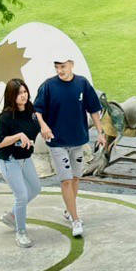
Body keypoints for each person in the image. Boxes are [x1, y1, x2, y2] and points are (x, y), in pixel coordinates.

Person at [34, 54, 113, 238]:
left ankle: (69, 210)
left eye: (63, 66)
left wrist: (100, 133)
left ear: (71, 65)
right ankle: (75, 219)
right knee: (66, 180)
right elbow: (37, 110)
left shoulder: (82, 84)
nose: (60, 70)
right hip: (57, 142)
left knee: (76, 178)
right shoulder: (48, 86)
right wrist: (43, 126)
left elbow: (93, 109)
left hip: (78, 141)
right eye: (57, 67)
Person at [0, 77, 48, 248]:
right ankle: (21, 232)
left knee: (36, 188)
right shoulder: (5, 117)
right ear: (11, 96)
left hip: (25, 159)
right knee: (22, 195)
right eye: (19, 94)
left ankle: (12, 216)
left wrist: (45, 128)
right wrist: (19, 136)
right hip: (9, 161)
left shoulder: (31, 111)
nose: (23, 96)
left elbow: (38, 123)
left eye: (24, 92)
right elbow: (1, 142)